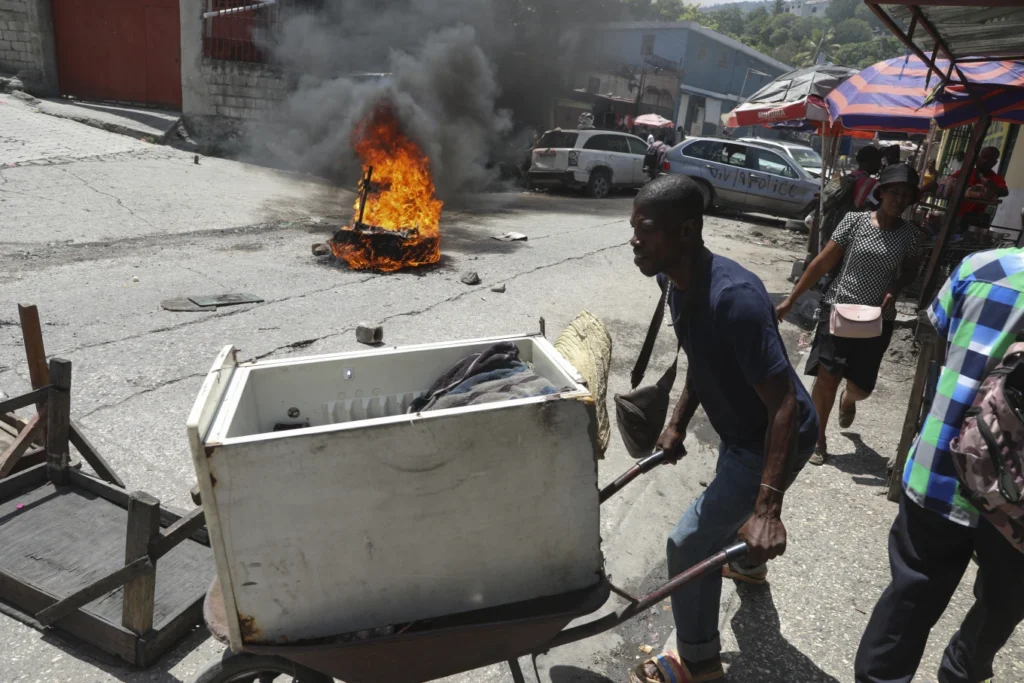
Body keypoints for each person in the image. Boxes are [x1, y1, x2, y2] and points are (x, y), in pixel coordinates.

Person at [627, 175, 818, 682]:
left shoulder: (734, 299)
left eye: (645, 230)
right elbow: (702, 357)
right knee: (727, 520)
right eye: (633, 229)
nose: (634, 241)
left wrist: (767, 509)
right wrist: (676, 424)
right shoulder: (677, 282)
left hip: (771, 435)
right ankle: (749, 566)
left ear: (687, 230)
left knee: (689, 544)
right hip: (741, 427)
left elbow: (784, 408)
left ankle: (700, 664)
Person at [854, 248, 1024, 683]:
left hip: (942, 463)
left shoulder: (981, 268)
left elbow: (941, 339)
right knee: (999, 610)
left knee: (910, 597)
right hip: (1018, 497)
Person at [777, 164, 922, 465]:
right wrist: (791, 299)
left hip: (878, 318)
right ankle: (817, 439)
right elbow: (821, 263)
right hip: (839, 309)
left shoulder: (911, 234)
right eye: (894, 192)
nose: (899, 199)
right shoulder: (854, 221)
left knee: (862, 387)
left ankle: (850, 399)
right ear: (881, 193)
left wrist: (895, 287)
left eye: (905, 195)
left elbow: (910, 270)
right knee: (828, 376)